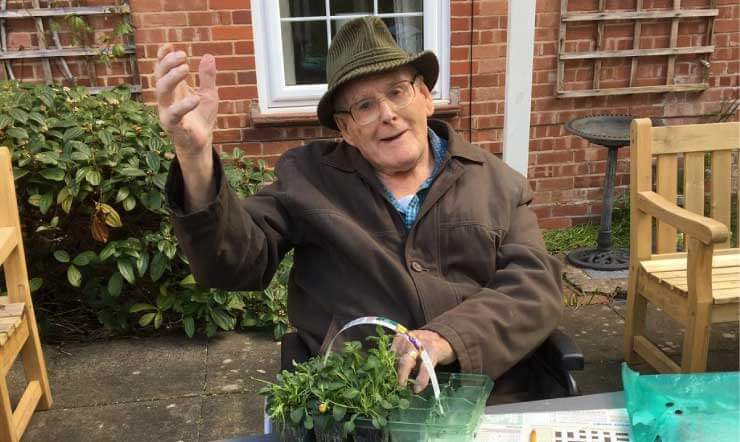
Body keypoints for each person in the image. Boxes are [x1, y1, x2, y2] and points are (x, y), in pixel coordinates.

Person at [157, 17, 563, 401]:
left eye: (397, 91)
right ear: (346, 130)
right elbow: (234, 262)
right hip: (358, 404)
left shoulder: (496, 182)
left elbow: (535, 287)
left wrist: (447, 338)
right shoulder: (307, 178)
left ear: (424, 96)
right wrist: (195, 157)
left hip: (489, 397)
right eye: (364, 106)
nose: (387, 114)